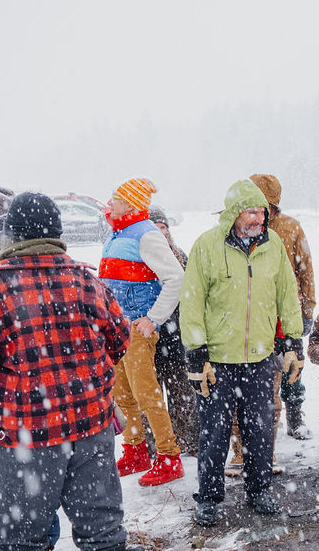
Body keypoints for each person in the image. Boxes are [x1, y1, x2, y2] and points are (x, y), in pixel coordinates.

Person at [0, 193, 137, 551]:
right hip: (90, 426)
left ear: (11, 234)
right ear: (57, 232)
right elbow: (120, 338)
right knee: (100, 519)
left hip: (25, 435)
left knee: (23, 531)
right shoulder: (85, 279)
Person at [180, 178, 304, 527]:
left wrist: (293, 342)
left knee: (260, 428)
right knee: (214, 432)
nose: (258, 219)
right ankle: (208, 497)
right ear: (234, 213)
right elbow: (192, 301)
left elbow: (287, 294)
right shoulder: (207, 246)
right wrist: (196, 353)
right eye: (251, 212)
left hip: (260, 357)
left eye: (262, 213)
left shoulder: (272, 245)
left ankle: (259, 489)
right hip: (218, 360)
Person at [100, 178, 186, 487]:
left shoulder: (146, 234)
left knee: (146, 394)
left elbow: (176, 278)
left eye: (115, 198)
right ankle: (135, 451)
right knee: (122, 394)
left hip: (137, 328)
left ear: (130, 204)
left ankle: (169, 456)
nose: (110, 203)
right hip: (116, 328)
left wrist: (153, 318)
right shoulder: (118, 233)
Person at [250, 174, 316, 440]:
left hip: (289, 308)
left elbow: (306, 269)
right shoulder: (244, 227)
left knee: (293, 365)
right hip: (257, 311)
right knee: (262, 368)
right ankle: (264, 421)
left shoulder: (290, 227)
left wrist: (307, 310)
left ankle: (295, 417)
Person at [147, 205, 200, 457]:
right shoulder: (140, 260)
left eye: (164, 227)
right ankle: (156, 446)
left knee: (184, 397)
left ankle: (187, 441)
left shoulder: (182, 258)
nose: (162, 232)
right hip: (151, 341)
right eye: (155, 228)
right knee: (152, 400)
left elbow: (193, 296)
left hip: (179, 341)